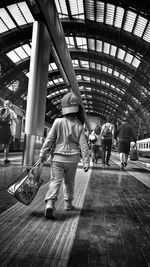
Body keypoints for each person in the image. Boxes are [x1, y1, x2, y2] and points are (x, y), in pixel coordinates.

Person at [37, 91, 90, 219]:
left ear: (64, 109)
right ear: (76, 110)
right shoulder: (79, 126)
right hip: (73, 159)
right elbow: (84, 146)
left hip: (57, 157)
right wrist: (86, 162)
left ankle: (50, 203)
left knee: (55, 180)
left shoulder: (57, 122)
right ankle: (68, 204)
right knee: (69, 182)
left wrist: (42, 154)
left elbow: (49, 140)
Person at [0, 100, 18, 165]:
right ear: (10, 105)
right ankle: (5, 159)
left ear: (4, 104)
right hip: (6, 130)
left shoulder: (0, 110)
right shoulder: (11, 112)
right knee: (6, 146)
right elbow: (17, 122)